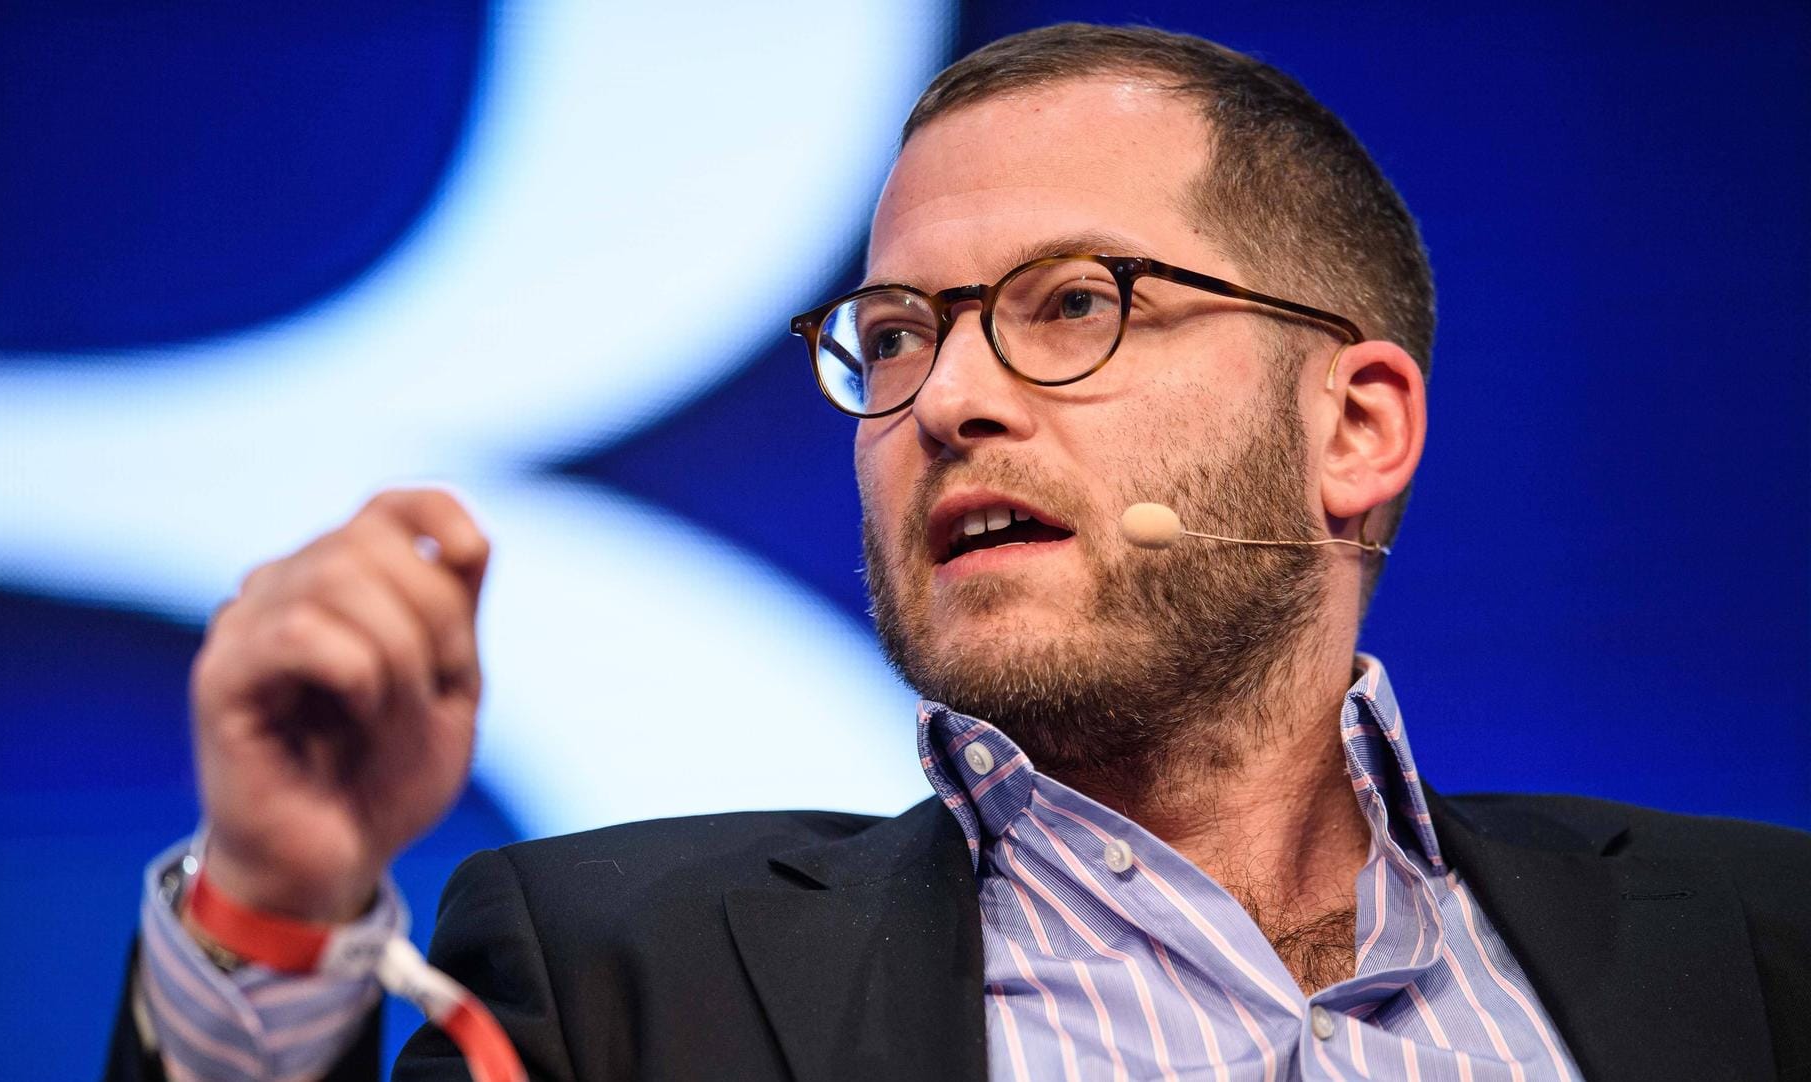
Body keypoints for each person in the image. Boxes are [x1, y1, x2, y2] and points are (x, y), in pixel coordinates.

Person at [105, 23, 1810, 1082]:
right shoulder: (622, 988)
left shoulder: (1759, 945)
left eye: (1076, 303)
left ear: (1354, 427)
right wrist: (272, 899)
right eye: (898, 332)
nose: (952, 399)